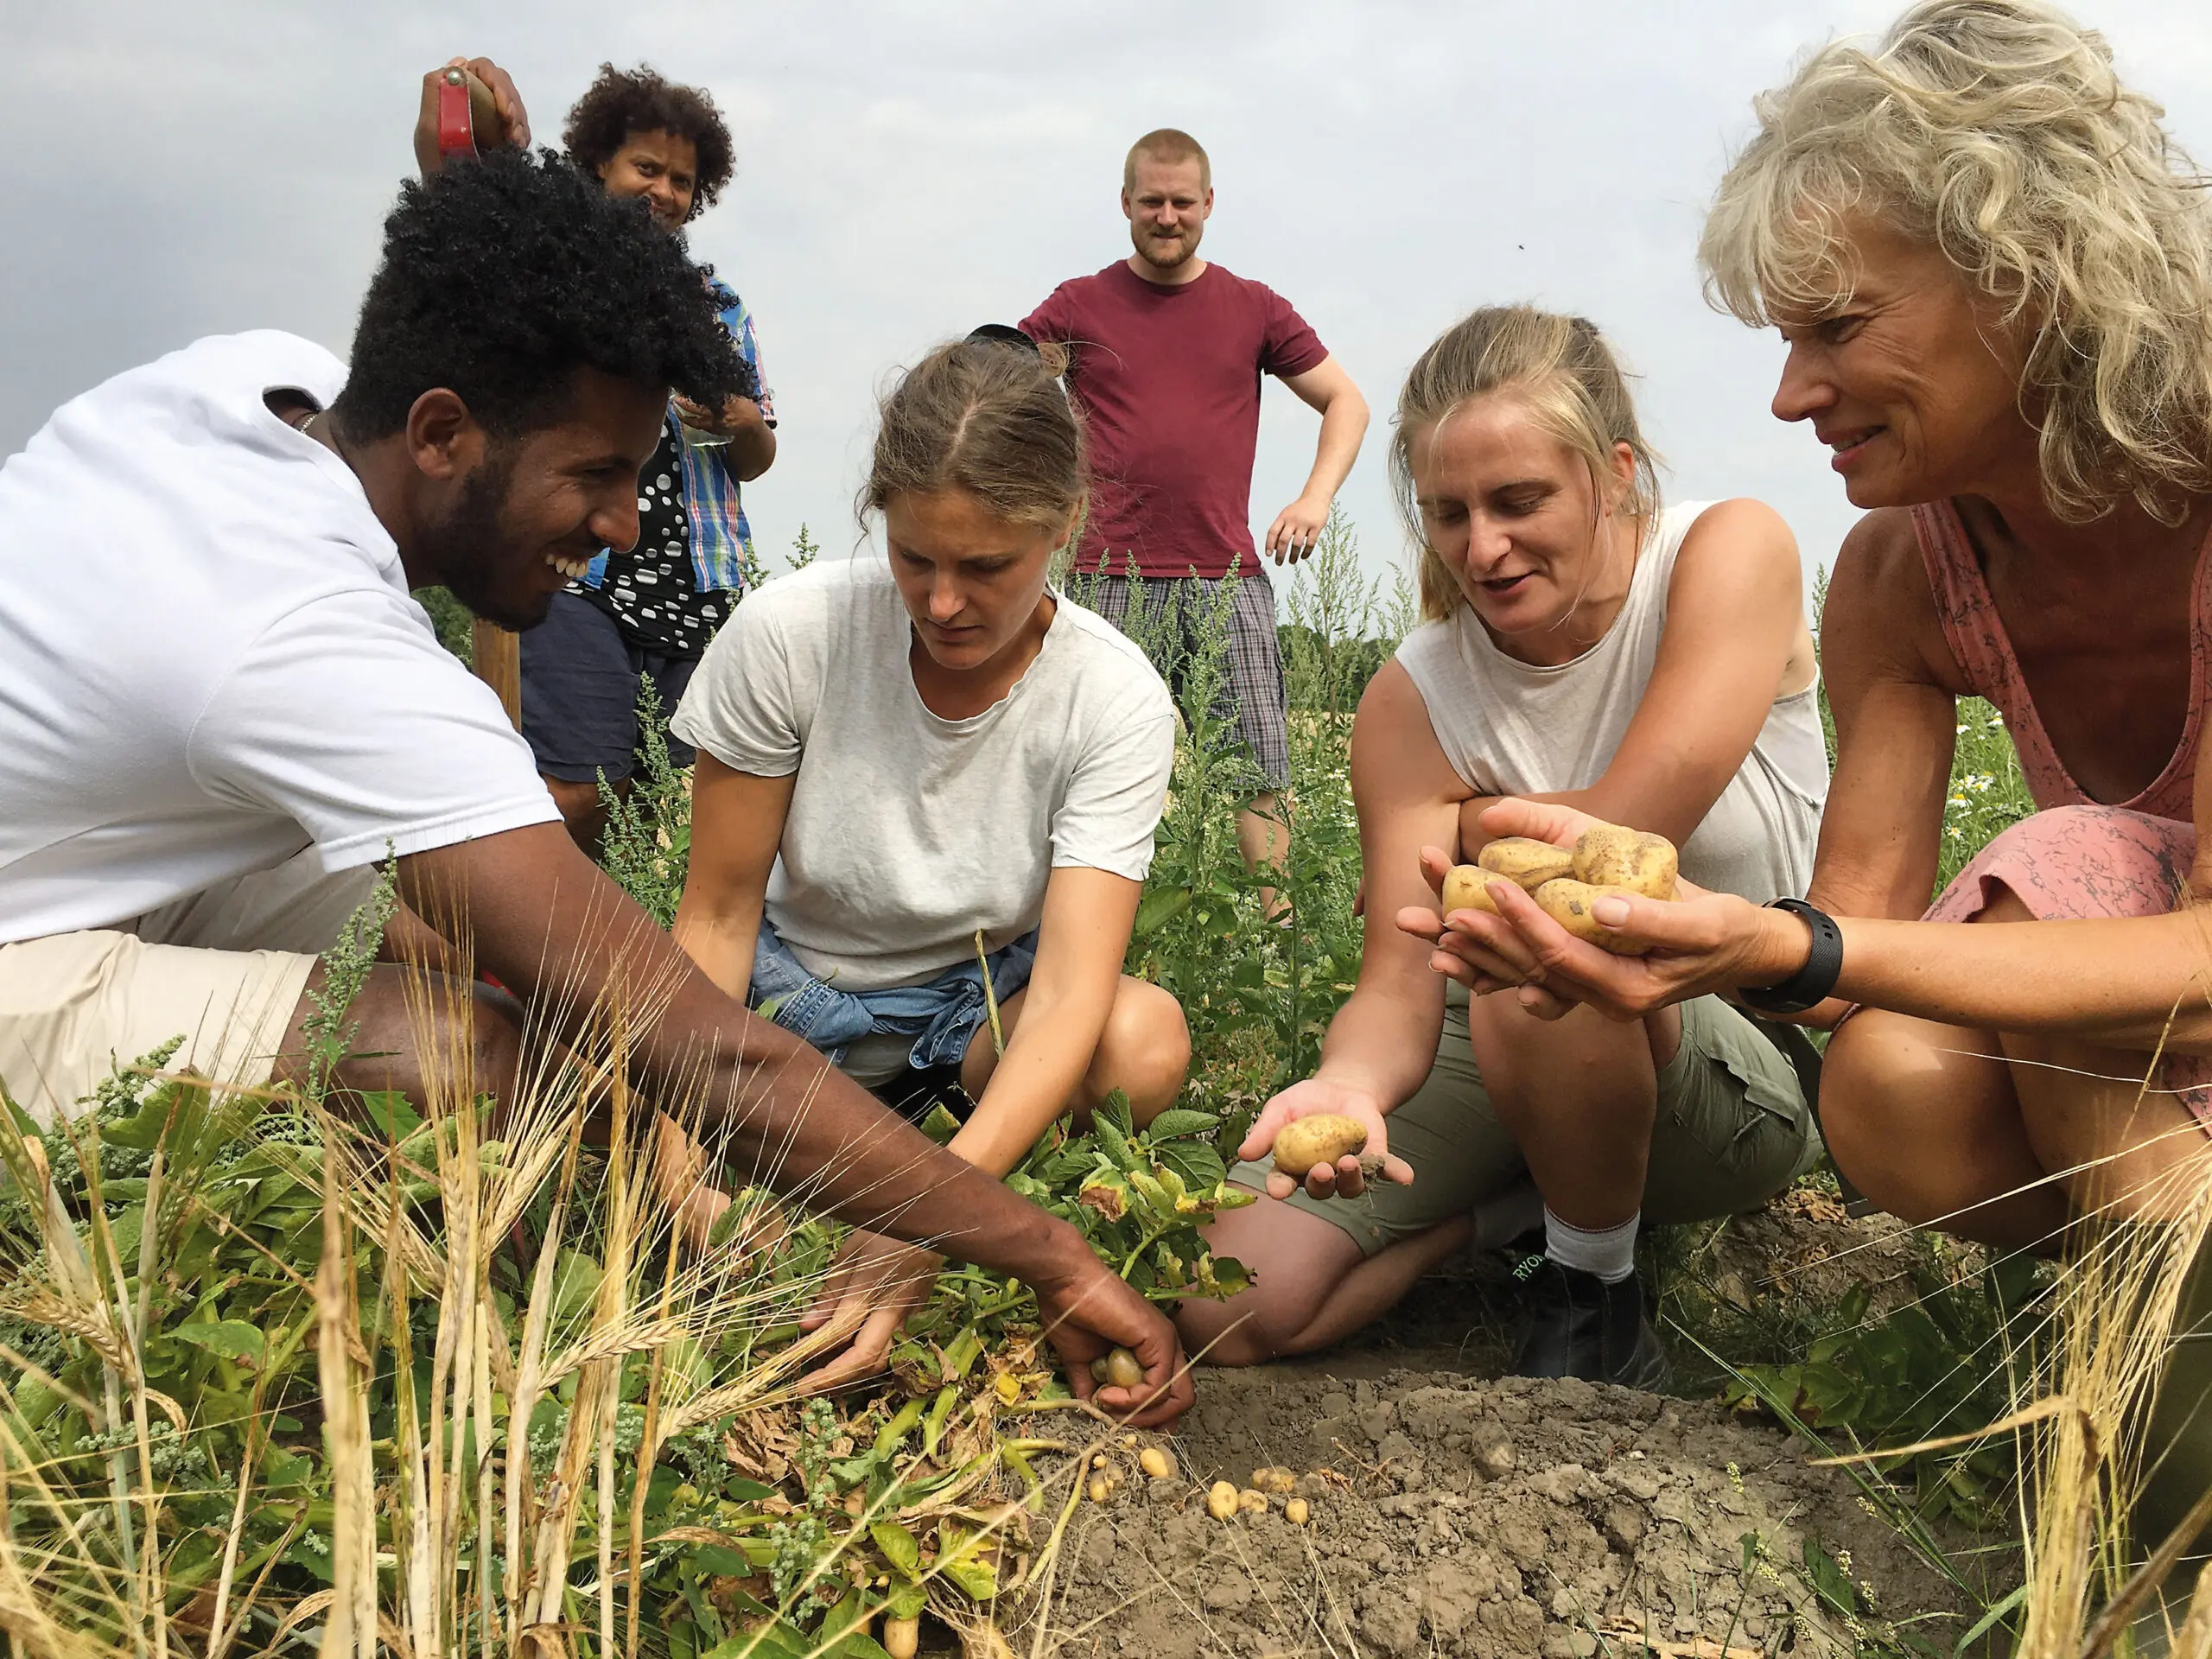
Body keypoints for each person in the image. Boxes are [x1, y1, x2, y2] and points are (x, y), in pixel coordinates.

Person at [0, 149, 1189, 1427]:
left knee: (519, 970)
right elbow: (705, 1048)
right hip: (27, 949)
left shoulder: (258, 384)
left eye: (636, 474)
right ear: (440, 434)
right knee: (479, 1054)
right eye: (595, 476)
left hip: (112, 866)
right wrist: (1043, 1251)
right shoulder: (301, 627)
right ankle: (397, 1341)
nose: (625, 525)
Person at [1436, 0, 2212, 1538]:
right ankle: (2154, 1328)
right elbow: (1852, 952)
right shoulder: (1904, 577)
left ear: (2029, 275)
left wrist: (1795, 944)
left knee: (2054, 877)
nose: (1790, 395)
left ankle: (2172, 1442)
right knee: (1893, 1084)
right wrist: (1666, 946)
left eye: (1838, 329)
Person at [1179, 306, 1827, 1385]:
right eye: (1448, 513)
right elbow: (1397, 981)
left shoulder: (1725, 553)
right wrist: (1348, 1082)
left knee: (1540, 935)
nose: (1482, 548)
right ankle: (1514, 1208)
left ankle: (1591, 1295)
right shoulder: (1412, 696)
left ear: (1613, 473)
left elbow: (1617, 846)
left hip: (1731, 1049)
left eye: (1519, 501)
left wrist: (1472, 823)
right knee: (1227, 1303)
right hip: (1500, 1030)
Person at [669, 330, 1192, 1384]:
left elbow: (1066, 996)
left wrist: (929, 1219)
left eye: (986, 566)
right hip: (785, 1014)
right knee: (598, 1081)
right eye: (915, 559)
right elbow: (717, 917)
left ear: (1063, 525)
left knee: (1141, 1042)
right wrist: (683, 1173)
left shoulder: (1111, 696)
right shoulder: (792, 635)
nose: (943, 602)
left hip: (971, 1021)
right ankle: (782, 1163)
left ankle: (943, 1162)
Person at [415, 59, 778, 849]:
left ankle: (617, 929)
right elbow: (458, 206)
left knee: (677, 809)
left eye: (681, 181)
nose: (663, 191)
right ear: (600, 165)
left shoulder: (719, 310)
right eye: (646, 168)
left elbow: (756, 457)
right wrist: (454, 99)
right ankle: (523, 921)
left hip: (696, 582)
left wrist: (740, 418)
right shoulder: (555, 277)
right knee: (578, 789)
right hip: (579, 569)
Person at [1020, 129, 1370, 896]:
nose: (1168, 217)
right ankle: (1078, 933)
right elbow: (1001, 383)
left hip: (1224, 577)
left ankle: (1276, 942)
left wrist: (1314, 497)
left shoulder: (1254, 307)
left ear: (1209, 203)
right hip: (1107, 578)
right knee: (1082, 768)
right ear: (1125, 204)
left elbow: (1346, 401)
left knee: (1257, 773)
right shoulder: (1079, 304)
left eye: (1182, 202)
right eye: (1152, 201)